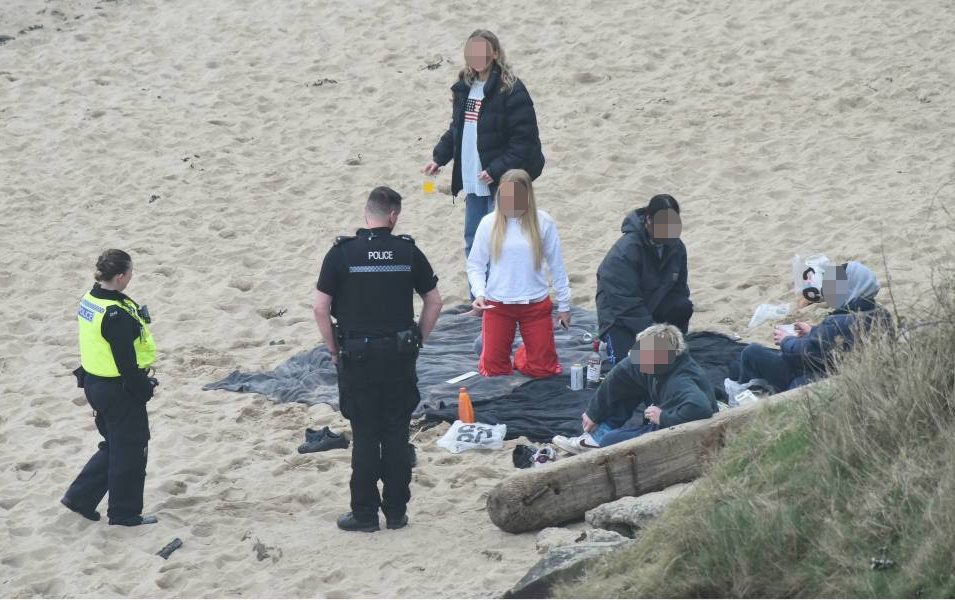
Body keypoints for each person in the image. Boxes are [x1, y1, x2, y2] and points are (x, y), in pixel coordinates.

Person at [314, 186, 443, 532]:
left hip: (358, 356)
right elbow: (434, 301)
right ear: (394, 216)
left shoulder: (342, 254)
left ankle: (365, 514)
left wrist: (333, 349)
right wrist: (419, 339)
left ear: (366, 213)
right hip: (399, 355)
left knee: (366, 434)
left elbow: (320, 308)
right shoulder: (407, 252)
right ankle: (397, 512)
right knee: (397, 433)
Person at [424, 29, 546, 261]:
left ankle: (502, 297)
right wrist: (439, 158)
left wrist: (495, 170)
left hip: (501, 183)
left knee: (503, 244)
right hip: (473, 179)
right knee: (474, 242)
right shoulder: (465, 88)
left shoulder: (511, 90)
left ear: (495, 53)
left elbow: (524, 142)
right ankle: (478, 297)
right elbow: (457, 129)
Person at [62, 250, 160, 526]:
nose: (131, 277)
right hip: (117, 389)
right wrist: (143, 389)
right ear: (119, 276)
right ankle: (124, 514)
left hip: (94, 384)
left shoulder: (91, 298)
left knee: (115, 444)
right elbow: (126, 364)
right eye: (130, 273)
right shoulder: (114, 314)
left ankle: (80, 498)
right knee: (131, 448)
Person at [467, 169, 571, 378]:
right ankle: (495, 346)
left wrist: (564, 305)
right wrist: (479, 294)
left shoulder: (543, 222)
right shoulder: (489, 222)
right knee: (493, 371)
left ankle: (525, 352)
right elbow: (475, 264)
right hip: (497, 304)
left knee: (544, 370)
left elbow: (556, 266)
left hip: (535, 303)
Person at [553, 323, 717, 454]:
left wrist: (663, 417)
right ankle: (596, 437)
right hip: (666, 408)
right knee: (630, 384)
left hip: (679, 427)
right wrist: (594, 412)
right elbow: (621, 373)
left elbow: (701, 408)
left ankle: (600, 441)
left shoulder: (679, 381)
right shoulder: (664, 362)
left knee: (610, 441)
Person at [733, 260, 891, 393]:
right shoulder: (882, 315)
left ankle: (743, 398)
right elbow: (836, 344)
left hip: (816, 377)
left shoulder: (839, 322)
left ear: (851, 288)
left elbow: (806, 353)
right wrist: (814, 331)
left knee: (751, 352)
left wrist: (786, 340)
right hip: (843, 374)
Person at [595, 194, 692, 365]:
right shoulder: (624, 253)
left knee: (682, 307)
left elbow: (679, 291)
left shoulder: (676, 247)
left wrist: (668, 335)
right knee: (631, 365)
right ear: (648, 220)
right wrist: (655, 334)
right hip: (619, 317)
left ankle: (673, 346)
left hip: (653, 306)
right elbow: (625, 304)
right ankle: (610, 343)